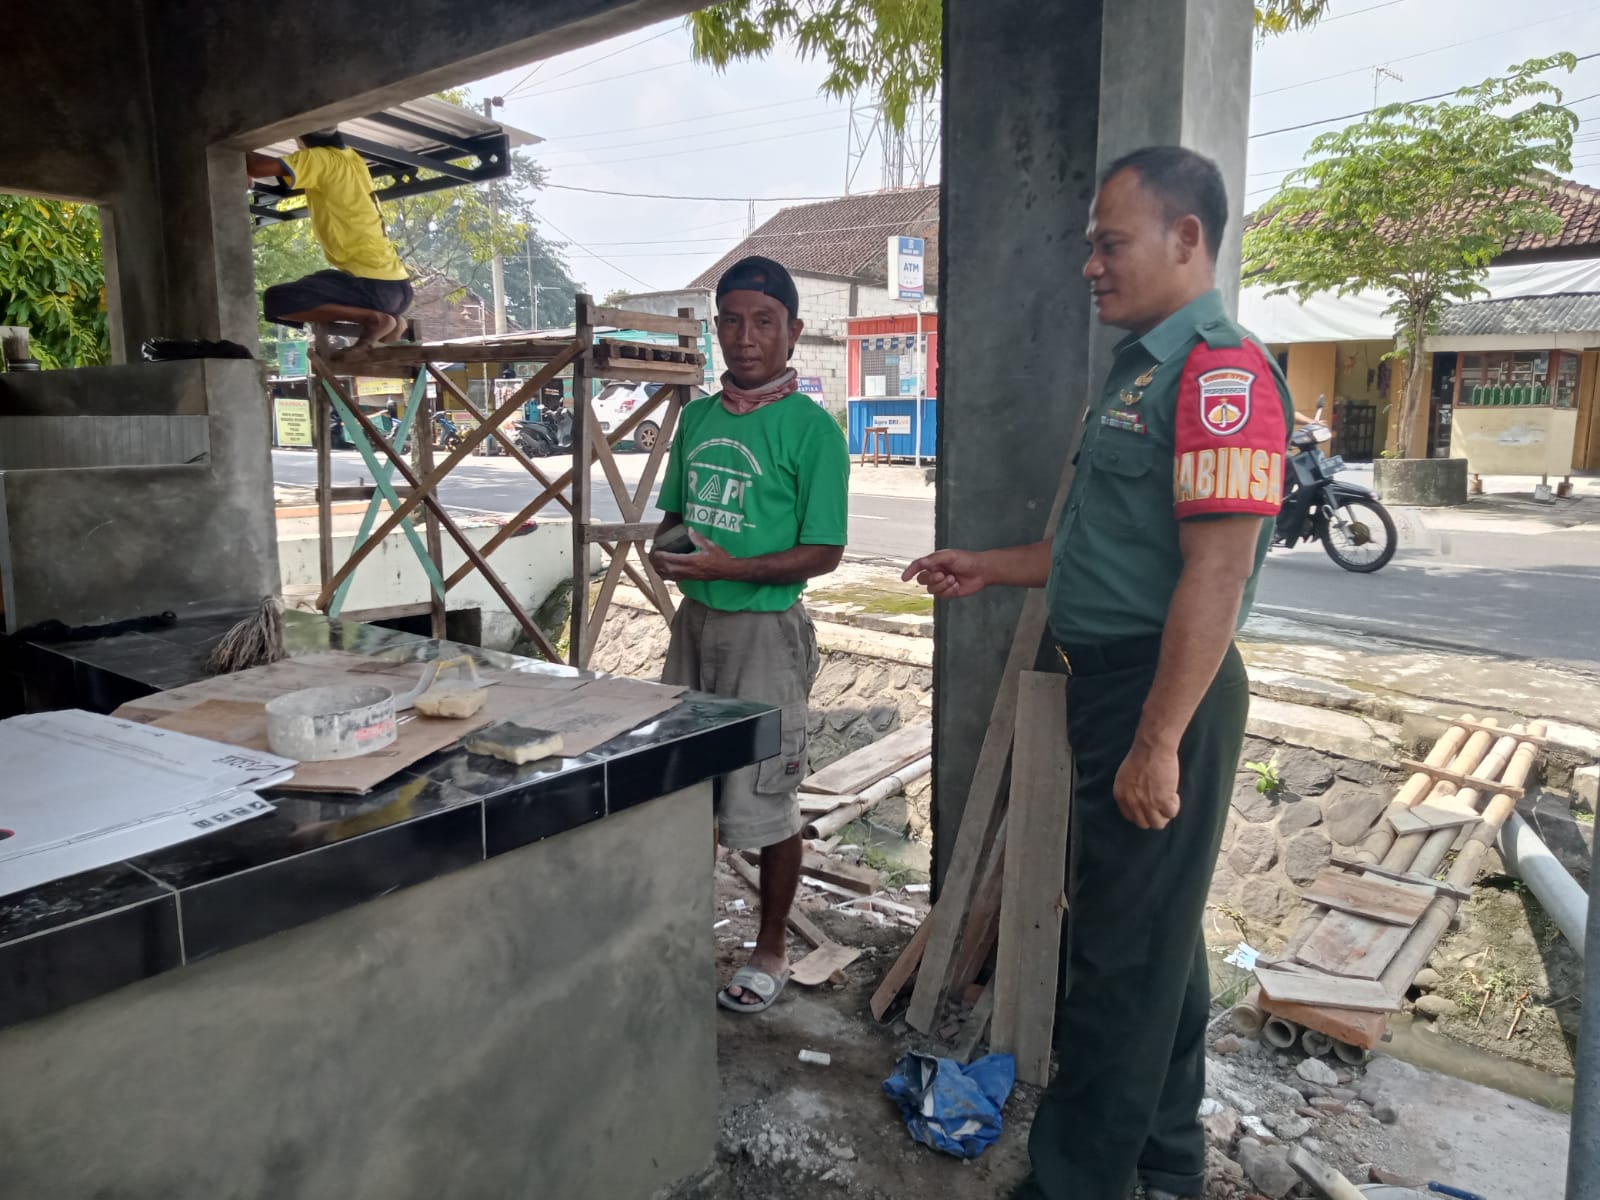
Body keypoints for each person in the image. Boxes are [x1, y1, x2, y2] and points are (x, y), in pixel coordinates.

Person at [902, 146, 1294, 1200]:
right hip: (1114, 684)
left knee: (1115, 962)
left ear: (1186, 239)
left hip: (1160, 695)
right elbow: (1103, 554)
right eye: (1089, 244)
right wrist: (988, 565)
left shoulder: (1220, 375)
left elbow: (1216, 571)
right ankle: (1166, 1158)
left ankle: (1076, 1181)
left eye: (1108, 242)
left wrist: (1157, 740)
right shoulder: (1142, 371)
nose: (1089, 265)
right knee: (1150, 934)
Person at [649, 255, 850, 1014]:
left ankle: (770, 946)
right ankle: (684, 930)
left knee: (768, 801)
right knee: (684, 786)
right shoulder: (698, 418)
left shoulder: (812, 431)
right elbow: (673, 513)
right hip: (693, 627)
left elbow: (824, 550)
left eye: (763, 322)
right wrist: (664, 551)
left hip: (765, 632)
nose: (745, 337)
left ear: (793, 331)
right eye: (731, 320)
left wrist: (739, 565)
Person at [246, 130, 413, 348]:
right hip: (398, 287)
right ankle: (394, 321)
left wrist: (233, 145)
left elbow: (257, 167)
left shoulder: (319, 158)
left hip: (371, 286)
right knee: (320, 278)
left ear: (302, 140)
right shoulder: (352, 158)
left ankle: (373, 319)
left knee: (277, 300)